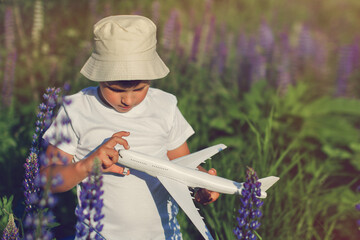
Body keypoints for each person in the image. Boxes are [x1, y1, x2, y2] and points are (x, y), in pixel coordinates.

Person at [41, 15, 219, 239]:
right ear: (99, 76)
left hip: (163, 234)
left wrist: (202, 184)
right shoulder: (76, 109)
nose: (128, 100)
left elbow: (182, 165)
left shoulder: (165, 105)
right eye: (115, 89)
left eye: (139, 89)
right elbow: (47, 179)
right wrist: (86, 166)